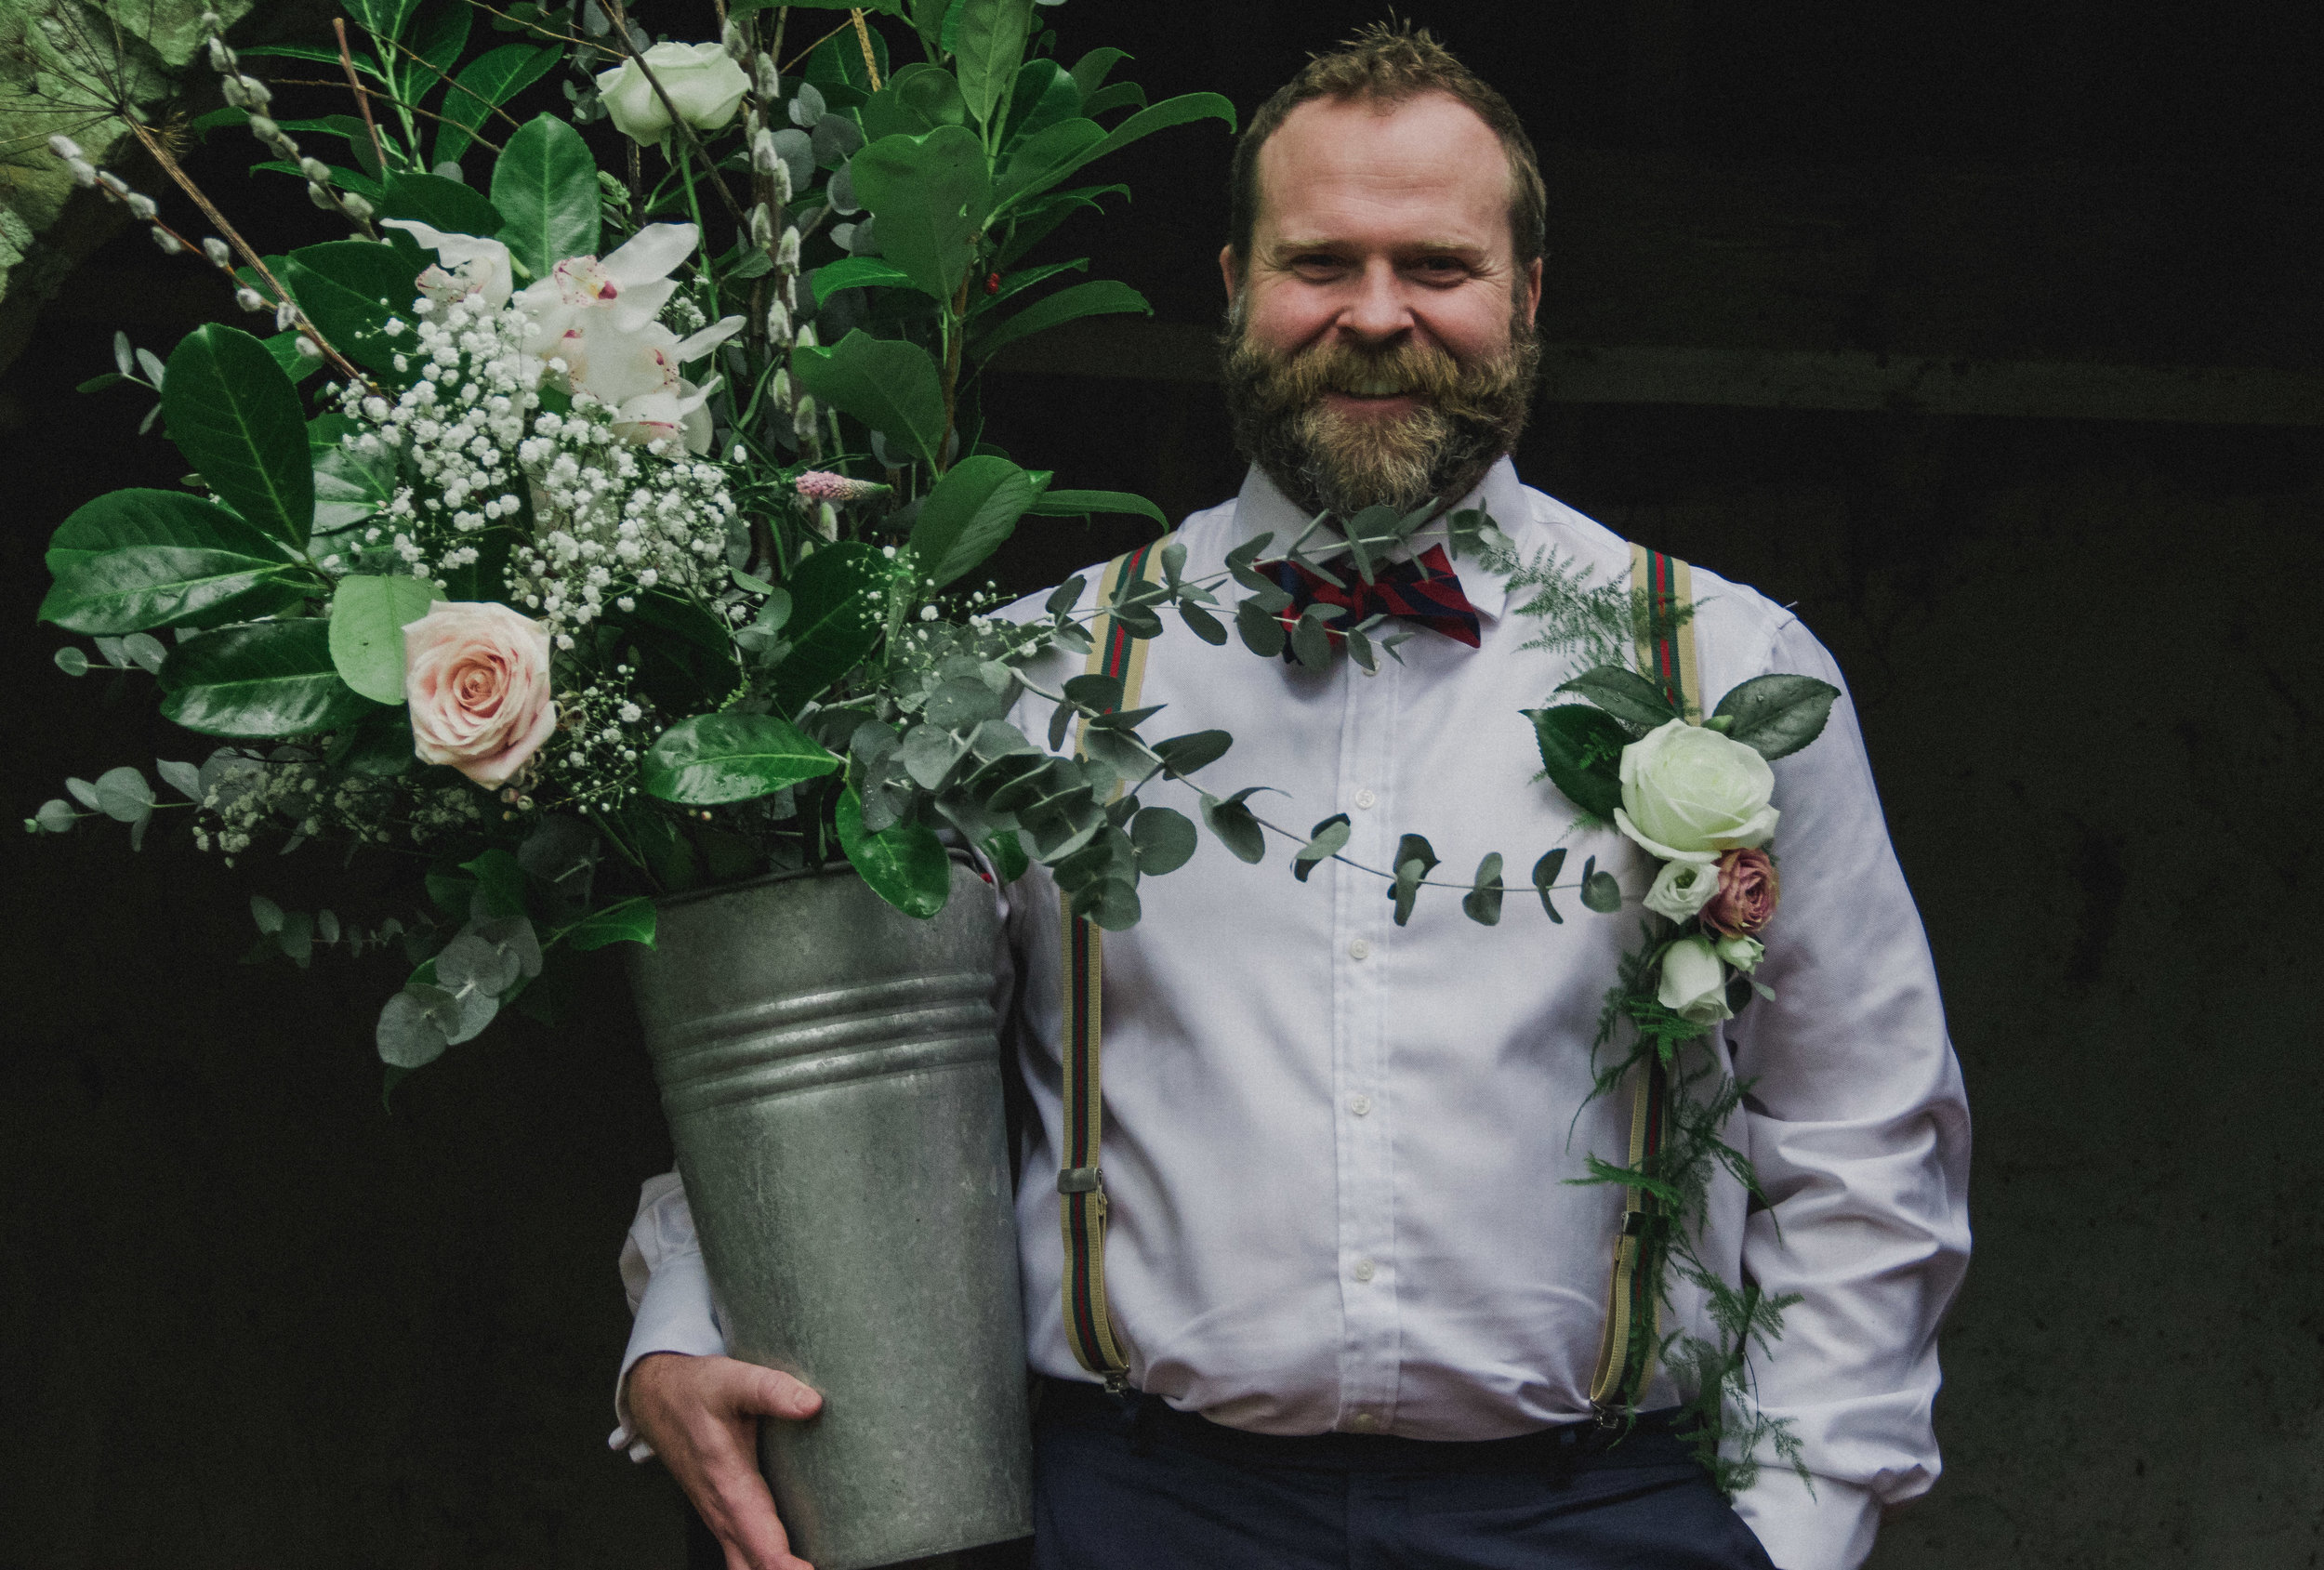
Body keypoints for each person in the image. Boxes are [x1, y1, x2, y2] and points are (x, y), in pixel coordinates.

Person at [614, 26, 1970, 1570]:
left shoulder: (1727, 663)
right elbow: (826, 1063)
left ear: (1529, 296)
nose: (1377, 316)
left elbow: (1867, 1132)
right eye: (1319, 261)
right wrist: (678, 1320)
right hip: (1132, 1512)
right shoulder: (1024, 674)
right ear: (1232, 285)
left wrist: (1795, 1534)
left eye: (1437, 267)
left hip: (1598, 1517)